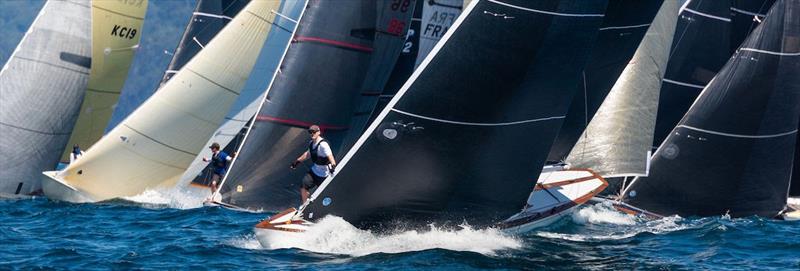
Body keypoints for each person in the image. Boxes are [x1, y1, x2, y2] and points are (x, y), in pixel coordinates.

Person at [290, 125, 336, 203]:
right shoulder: (311, 143)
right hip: (314, 171)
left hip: (325, 174)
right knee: (303, 185)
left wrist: (333, 166)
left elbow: (331, 157)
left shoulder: (323, 145)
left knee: (326, 195)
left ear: (319, 132)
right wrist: (297, 162)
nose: (312, 134)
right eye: (310, 132)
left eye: (314, 132)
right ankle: (305, 206)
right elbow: (308, 154)